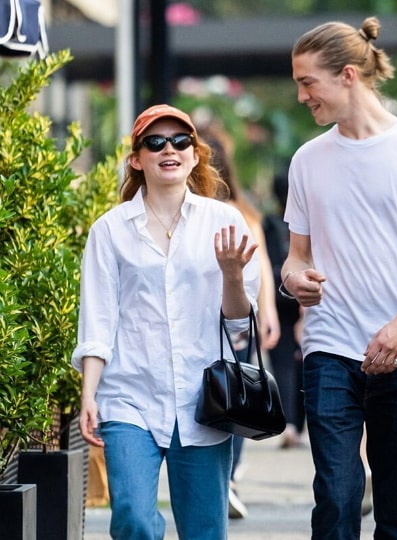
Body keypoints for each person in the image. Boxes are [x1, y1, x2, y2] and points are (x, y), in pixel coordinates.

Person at [281, 17, 397, 540]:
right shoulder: (307, 161)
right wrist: (294, 279)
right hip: (331, 347)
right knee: (337, 498)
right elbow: (295, 256)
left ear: (347, 75)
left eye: (307, 82)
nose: (301, 96)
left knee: (396, 514)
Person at [71, 104, 260, 540]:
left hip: (205, 400)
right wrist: (89, 394)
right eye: (155, 142)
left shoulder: (225, 223)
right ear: (137, 158)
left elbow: (239, 328)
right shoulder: (110, 230)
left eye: (180, 141)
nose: (168, 149)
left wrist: (232, 276)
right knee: (134, 519)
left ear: (195, 155)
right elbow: (97, 318)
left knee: (204, 530)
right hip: (128, 397)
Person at [201, 124, 281, 519]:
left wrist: (264, 312)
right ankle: (227, 476)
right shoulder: (238, 208)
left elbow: (259, 261)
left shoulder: (235, 211)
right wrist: (265, 314)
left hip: (233, 317)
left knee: (234, 394)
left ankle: (228, 476)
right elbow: (264, 261)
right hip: (228, 320)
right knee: (238, 394)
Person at [263, 171, 305, 448]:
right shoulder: (303, 220)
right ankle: (298, 425)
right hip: (301, 296)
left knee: (281, 364)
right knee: (301, 361)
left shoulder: (269, 222)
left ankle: (288, 422)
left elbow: (264, 261)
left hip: (277, 298)